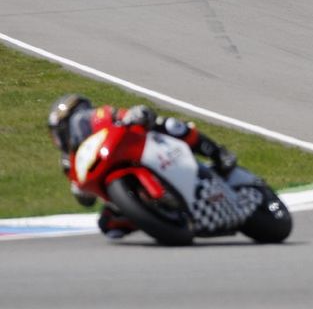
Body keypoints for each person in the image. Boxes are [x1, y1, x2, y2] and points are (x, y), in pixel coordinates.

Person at [48, 94, 238, 238]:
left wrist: (134, 115)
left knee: (169, 124)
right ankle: (154, 217)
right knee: (108, 225)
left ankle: (218, 153)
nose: (61, 137)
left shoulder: (99, 117)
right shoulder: (69, 161)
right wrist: (79, 189)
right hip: (114, 183)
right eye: (57, 134)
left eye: (62, 130)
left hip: (136, 146)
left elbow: (124, 115)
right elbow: (85, 199)